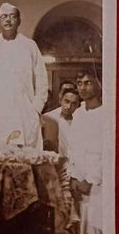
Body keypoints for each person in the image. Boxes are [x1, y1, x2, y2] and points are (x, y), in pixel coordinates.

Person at [0, 2, 48, 148]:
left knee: (22, 162)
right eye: (4, 17)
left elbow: (41, 80)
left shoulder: (29, 46)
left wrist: (35, 109)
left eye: (12, 16)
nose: (8, 20)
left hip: (22, 114)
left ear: (19, 21)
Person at [68, 69, 103, 234]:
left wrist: (90, 180)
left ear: (99, 84)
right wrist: (73, 177)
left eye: (88, 83)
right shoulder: (78, 114)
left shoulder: (107, 114)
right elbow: (72, 148)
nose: (83, 88)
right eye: (79, 83)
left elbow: (108, 154)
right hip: (79, 185)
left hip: (99, 186)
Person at [43, 88, 80, 158]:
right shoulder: (49, 118)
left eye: (73, 104)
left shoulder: (81, 121)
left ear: (78, 105)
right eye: (67, 101)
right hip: (57, 163)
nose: (69, 106)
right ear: (60, 100)